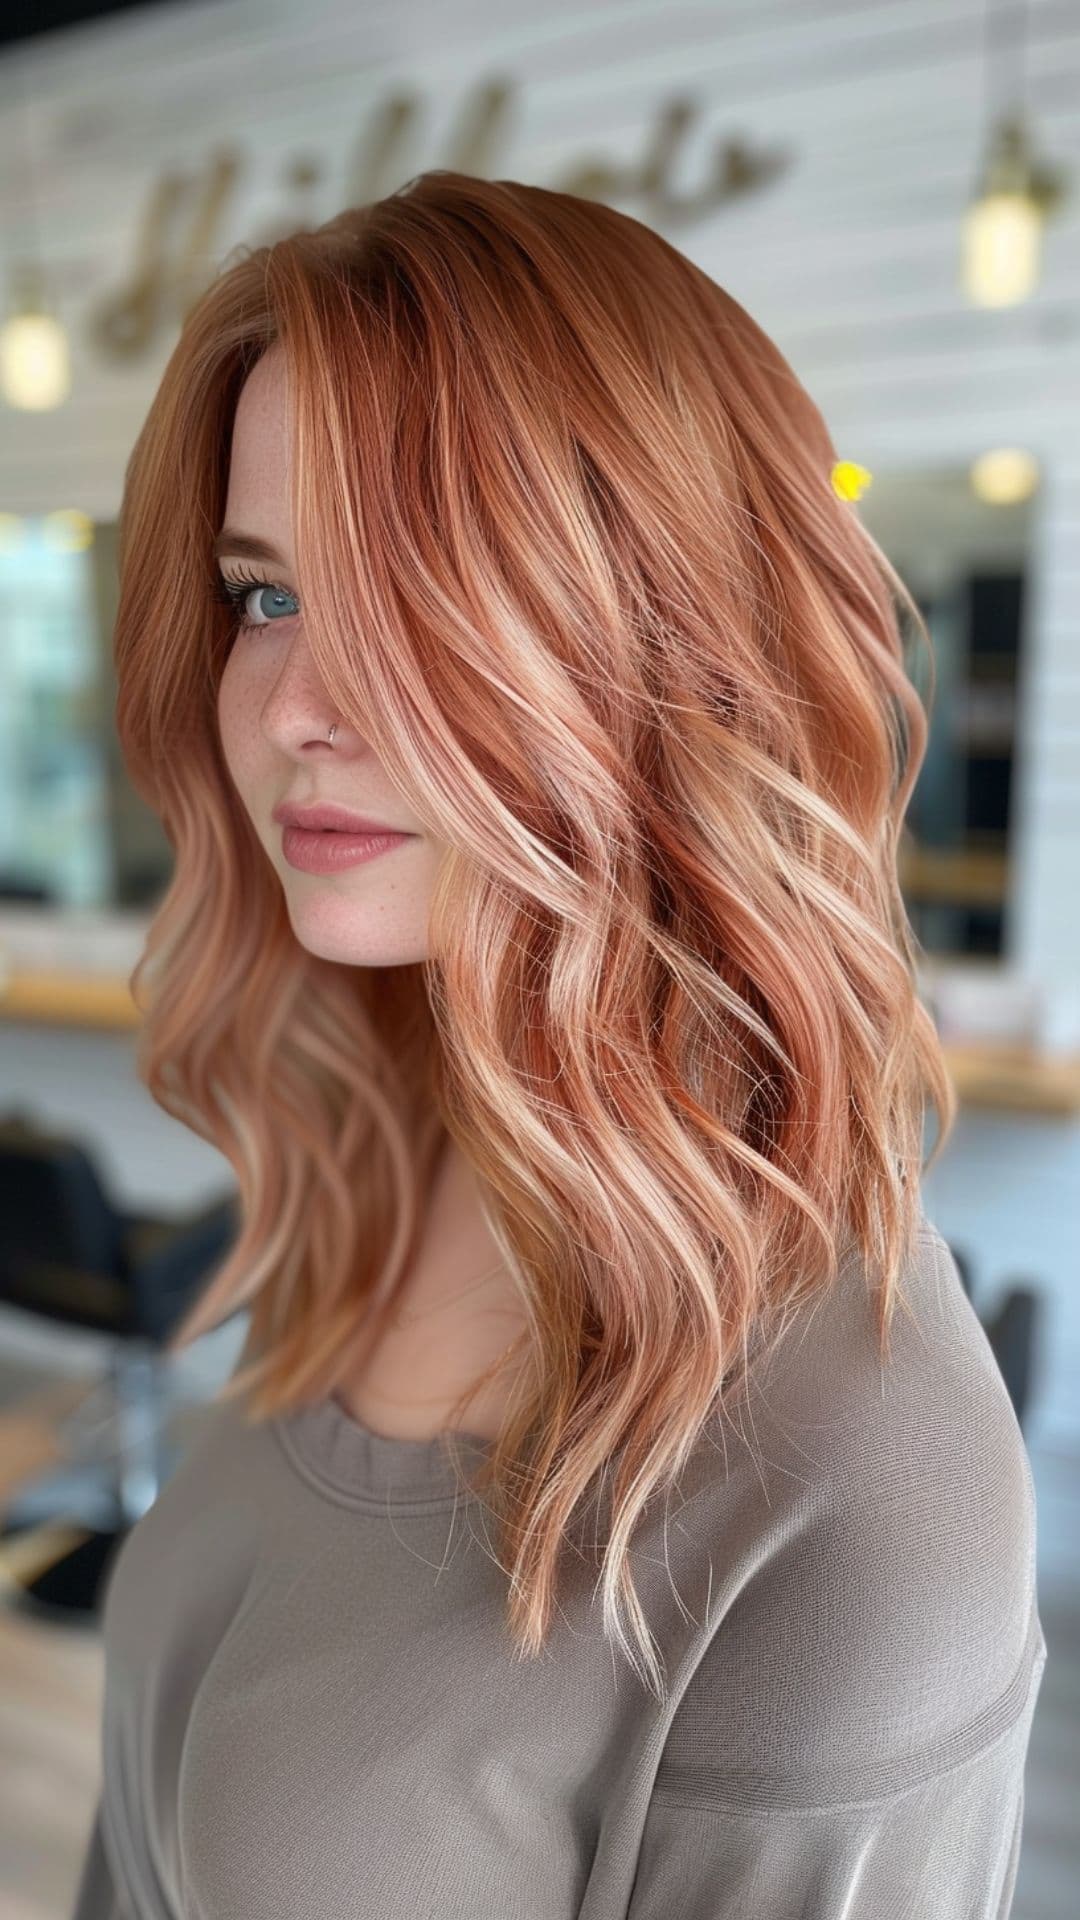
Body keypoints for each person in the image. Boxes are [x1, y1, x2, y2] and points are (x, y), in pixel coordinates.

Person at [71, 171, 1045, 1920]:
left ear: (666, 640)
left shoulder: (852, 1484)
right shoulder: (383, 1177)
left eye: (415, 596)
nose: (293, 704)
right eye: (267, 594)